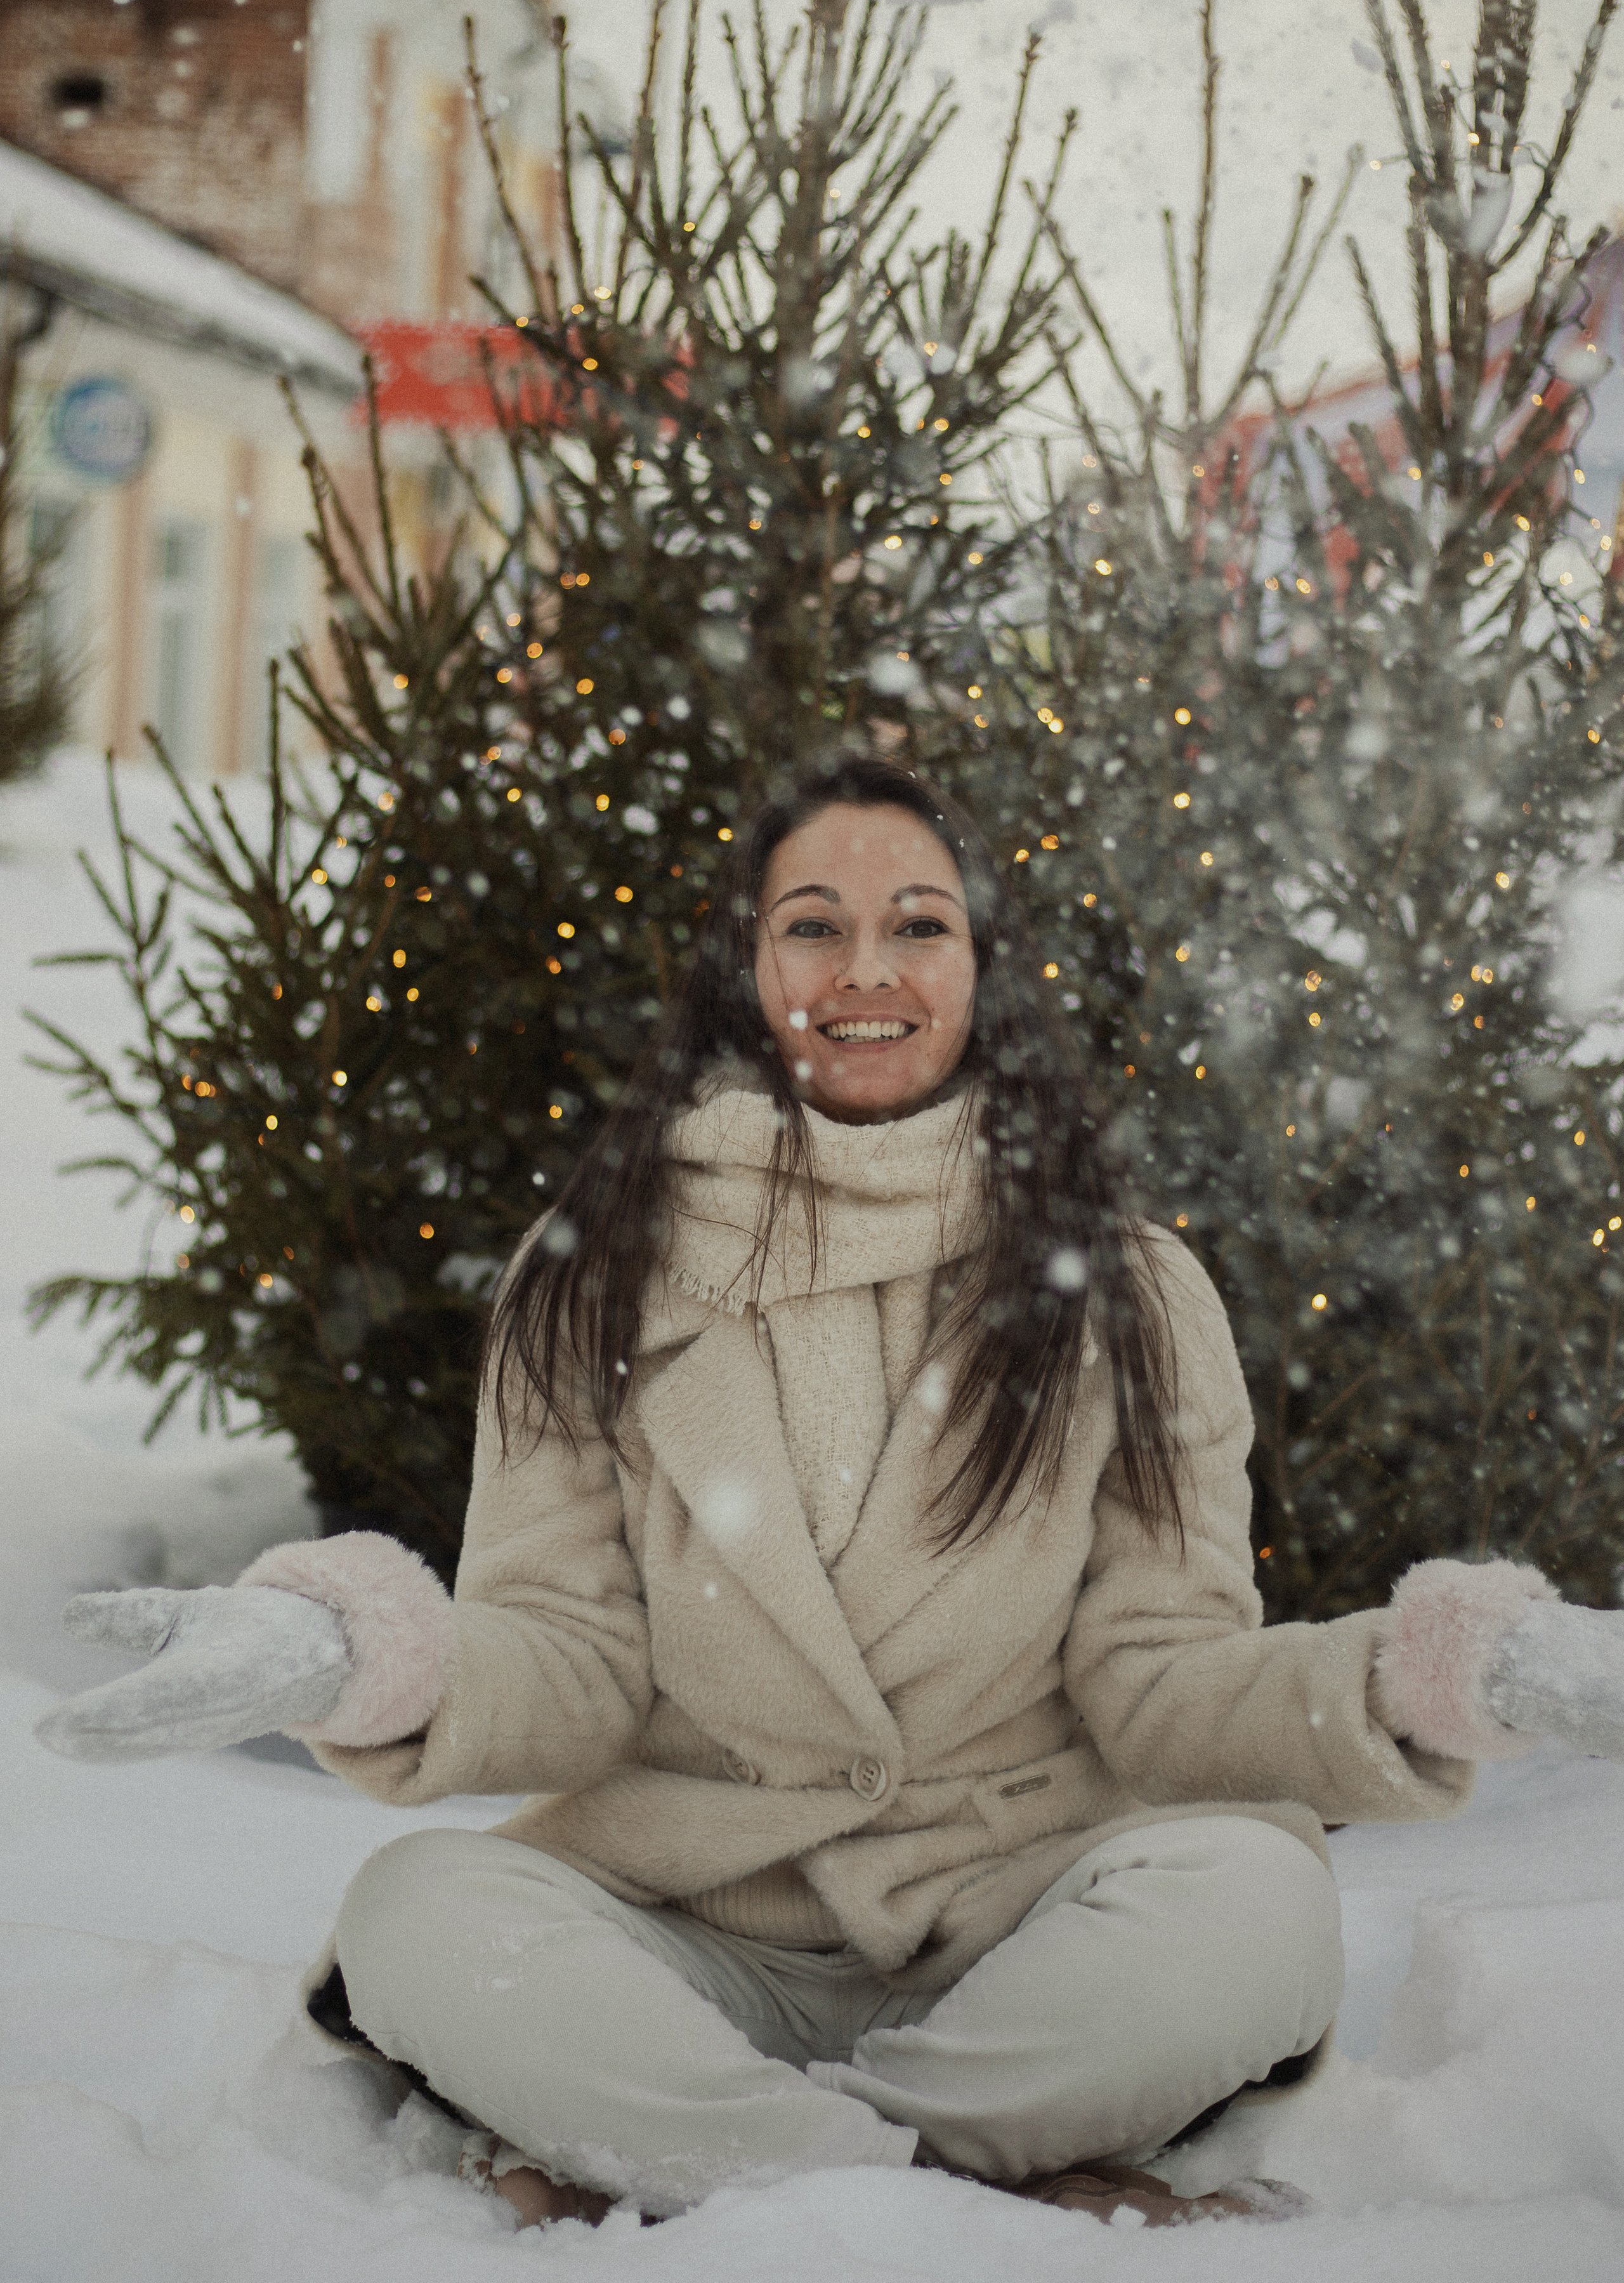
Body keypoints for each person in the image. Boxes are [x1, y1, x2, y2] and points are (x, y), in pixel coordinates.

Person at [39, 753, 1624, 2232]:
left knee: (1258, 1898)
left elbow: (1165, 1681)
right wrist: (346, 1654)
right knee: (416, 1911)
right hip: (684, 1936)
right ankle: (946, 2195)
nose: (866, 971)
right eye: (813, 926)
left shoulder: (1128, 1291)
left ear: (983, 970)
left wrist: (1442, 1676)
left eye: (917, 925)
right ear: (744, 968)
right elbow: (565, 1657)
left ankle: (736, 2175)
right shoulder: (590, 1274)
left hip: (1026, 1938)